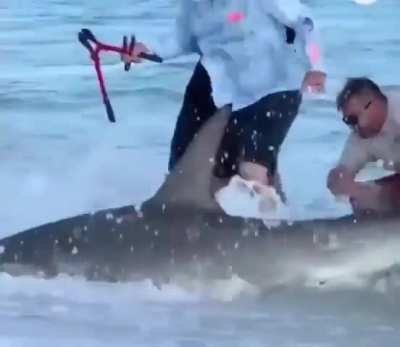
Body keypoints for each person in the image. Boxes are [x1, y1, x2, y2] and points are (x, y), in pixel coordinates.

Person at [123, 0, 326, 199]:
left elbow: (306, 22)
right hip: (219, 82)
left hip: (275, 85)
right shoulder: (193, 4)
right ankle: (214, 225)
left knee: (251, 171)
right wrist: (148, 49)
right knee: (187, 169)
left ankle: (272, 223)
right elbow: (181, 39)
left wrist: (317, 66)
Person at [327, 77, 400, 214]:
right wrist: (339, 180)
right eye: (347, 121)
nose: (352, 126)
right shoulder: (361, 135)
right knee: (360, 201)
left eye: (352, 119)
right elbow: (342, 171)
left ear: (371, 104)